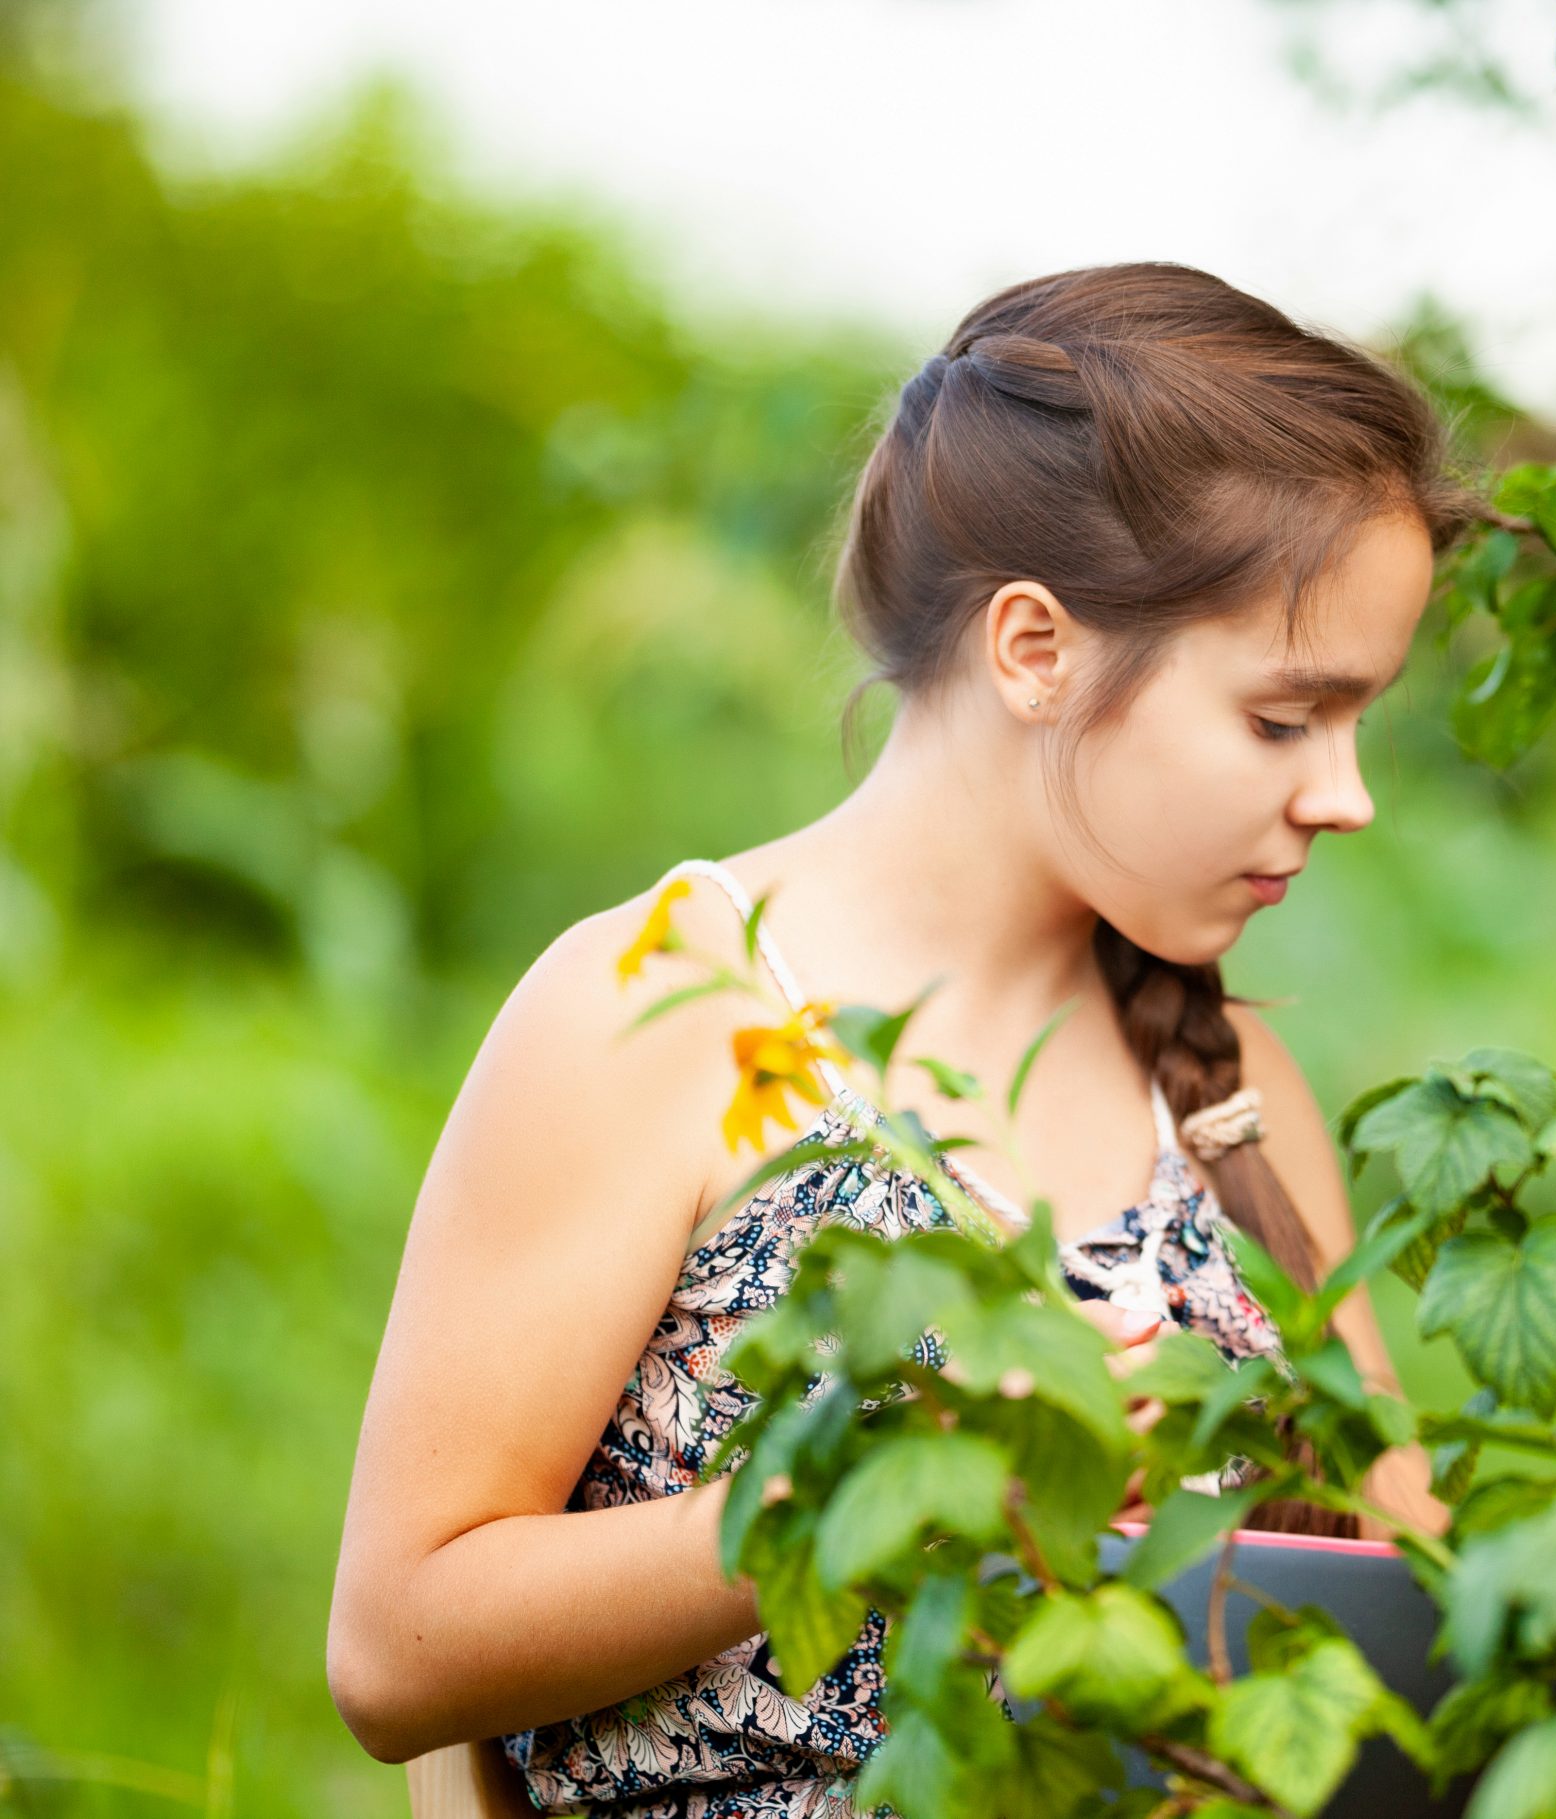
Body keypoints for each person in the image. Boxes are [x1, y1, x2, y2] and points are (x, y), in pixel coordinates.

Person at [326, 260, 1476, 1816]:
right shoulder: (658, 1014)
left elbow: (1423, 1599)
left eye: (1358, 725)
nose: (1346, 796)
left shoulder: (1228, 1086)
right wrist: (872, 1491)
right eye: (1285, 719)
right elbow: (399, 1652)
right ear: (1032, 649)